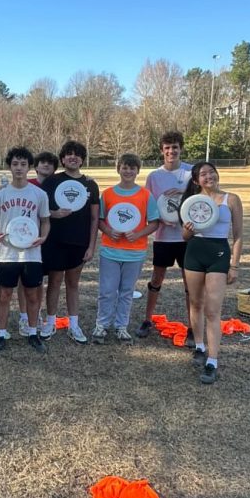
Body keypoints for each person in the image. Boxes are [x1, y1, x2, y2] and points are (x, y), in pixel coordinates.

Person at [180, 161, 244, 384]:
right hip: (194, 252)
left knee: (213, 309)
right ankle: (199, 346)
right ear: (196, 181)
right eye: (203, 174)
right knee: (195, 303)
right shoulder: (192, 202)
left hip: (219, 254)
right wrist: (187, 231)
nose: (209, 176)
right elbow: (184, 237)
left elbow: (238, 236)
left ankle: (212, 361)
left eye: (211, 172)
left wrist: (234, 265)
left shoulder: (231, 199)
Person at [0, 147, 51, 355]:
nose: (19, 168)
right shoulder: (1, 195)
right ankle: (1, 334)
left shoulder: (39, 194)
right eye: (15, 164)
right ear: (9, 166)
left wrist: (43, 237)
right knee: (4, 294)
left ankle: (33, 333)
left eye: (23, 164)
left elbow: (45, 221)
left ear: (29, 167)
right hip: (7, 253)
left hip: (31, 254)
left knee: (32, 295)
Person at [94, 153, 159, 344]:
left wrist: (138, 234)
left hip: (135, 253)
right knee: (107, 290)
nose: (128, 171)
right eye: (124, 167)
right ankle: (102, 325)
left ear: (137, 171)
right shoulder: (107, 194)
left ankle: (121, 326)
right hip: (110, 251)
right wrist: (108, 230)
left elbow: (154, 222)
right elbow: (100, 220)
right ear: (118, 169)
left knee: (126, 291)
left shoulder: (145, 195)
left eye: (132, 168)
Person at [136, 131, 194, 342]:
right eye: (167, 148)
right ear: (162, 150)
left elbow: (200, 199)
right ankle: (147, 320)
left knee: (191, 282)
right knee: (157, 278)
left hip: (187, 237)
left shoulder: (191, 172)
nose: (171, 151)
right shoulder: (154, 176)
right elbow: (149, 206)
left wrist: (182, 191)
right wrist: (161, 218)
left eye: (175, 147)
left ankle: (192, 325)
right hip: (163, 237)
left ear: (181, 148)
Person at [40, 140, 100, 344]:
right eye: (68, 154)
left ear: (82, 159)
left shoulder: (90, 184)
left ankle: (74, 325)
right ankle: (50, 322)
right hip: (55, 241)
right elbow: (40, 210)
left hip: (79, 242)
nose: (73, 157)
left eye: (77, 154)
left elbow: (94, 218)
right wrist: (54, 214)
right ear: (63, 158)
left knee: (73, 283)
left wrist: (92, 246)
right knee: (54, 282)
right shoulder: (51, 182)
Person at [17, 151, 58, 334]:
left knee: (40, 280)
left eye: (50, 163)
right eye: (42, 162)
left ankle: (37, 313)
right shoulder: (28, 185)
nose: (46, 165)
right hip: (26, 238)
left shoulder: (60, 185)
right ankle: (23, 316)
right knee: (24, 279)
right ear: (35, 166)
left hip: (51, 238)